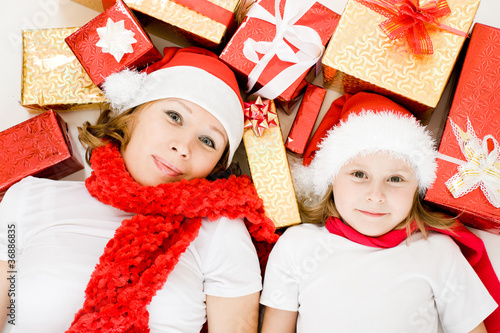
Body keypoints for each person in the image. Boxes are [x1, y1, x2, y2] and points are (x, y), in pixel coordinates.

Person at [0, 47, 277, 333]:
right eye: (174, 116)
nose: (183, 147)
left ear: (216, 166)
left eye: (208, 141)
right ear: (132, 112)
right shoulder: (27, 200)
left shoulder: (221, 233)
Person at [259, 92, 500, 333]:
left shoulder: (438, 252)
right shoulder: (298, 246)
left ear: (417, 188)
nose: (376, 195)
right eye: (359, 175)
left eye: (395, 179)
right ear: (331, 179)